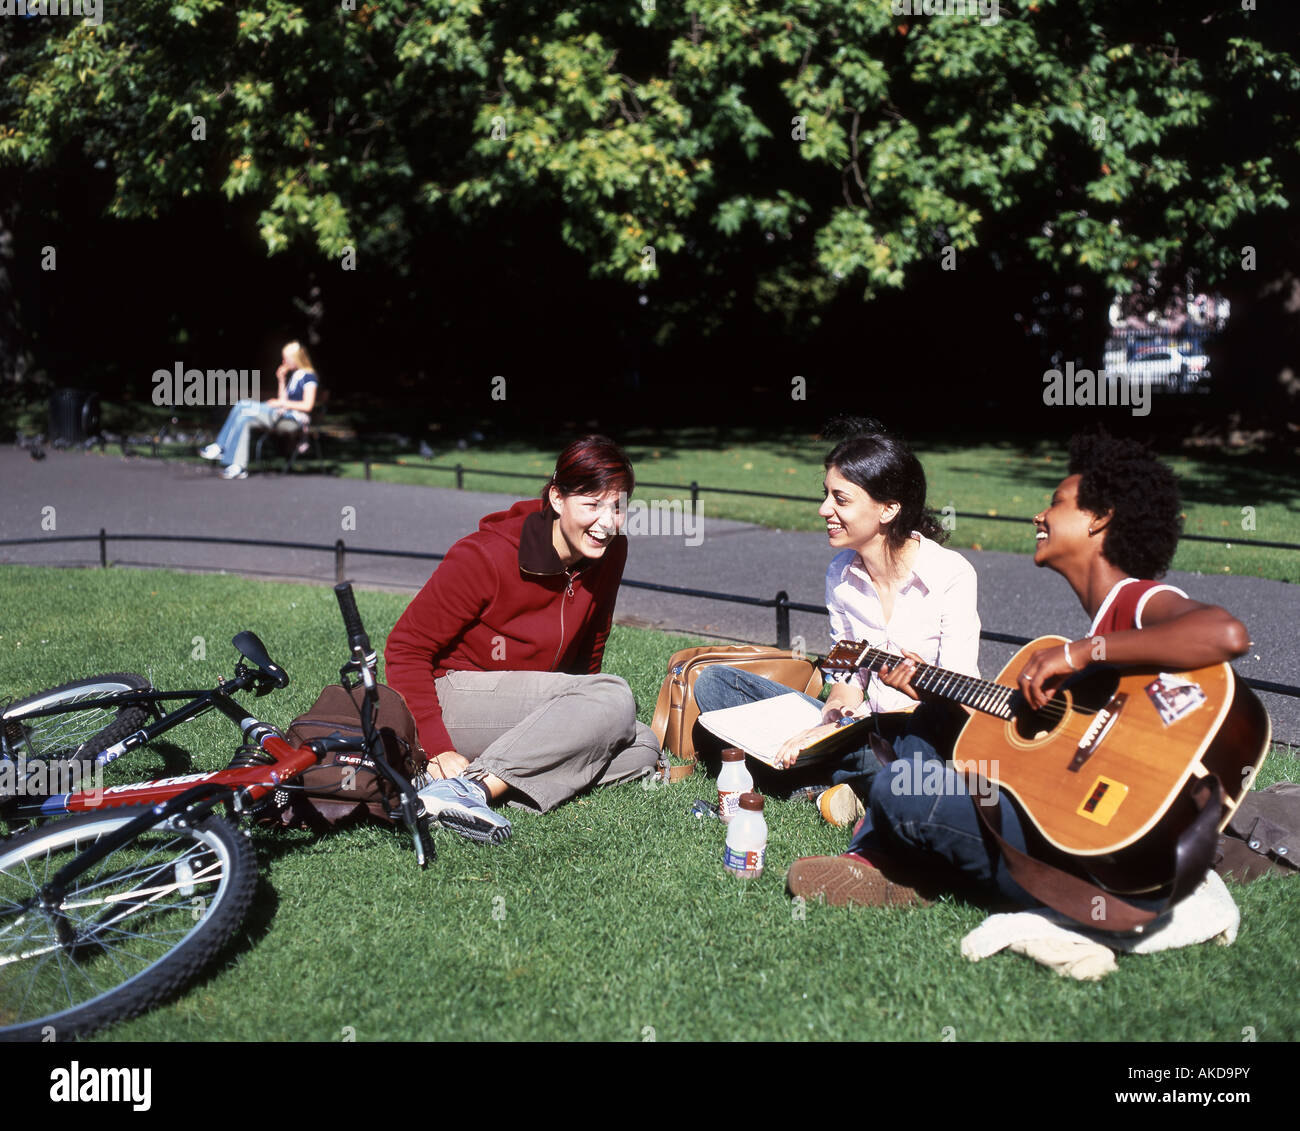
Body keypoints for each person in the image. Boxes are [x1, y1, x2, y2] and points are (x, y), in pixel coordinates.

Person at [787, 430, 1252, 909]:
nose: (1039, 515)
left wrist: (1075, 655)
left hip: (1097, 846)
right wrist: (930, 691)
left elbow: (1227, 633)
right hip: (1078, 824)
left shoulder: (1135, 599)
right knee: (915, 755)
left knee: (897, 785)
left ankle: (884, 857)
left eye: (1057, 503)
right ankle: (902, 854)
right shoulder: (1105, 618)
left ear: (1099, 519)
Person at [693, 421, 981, 826]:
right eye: (826, 495)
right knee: (714, 684)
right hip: (855, 728)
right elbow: (846, 681)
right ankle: (838, 782)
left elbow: (962, 699)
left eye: (840, 499)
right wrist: (829, 719)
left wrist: (847, 726)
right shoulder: (840, 574)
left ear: (888, 509)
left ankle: (827, 780)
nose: (824, 509)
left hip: (922, 735)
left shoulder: (951, 574)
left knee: (904, 762)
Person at [384, 435, 661, 845]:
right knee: (614, 698)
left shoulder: (611, 551)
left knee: (641, 744)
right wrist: (437, 745)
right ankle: (466, 788)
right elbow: (405, 649)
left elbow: (593, 638)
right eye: (592, 505)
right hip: (454, 697)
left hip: (526, 705)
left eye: (617, 507)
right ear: (557, 498)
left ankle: (470, 782)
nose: (607, 523)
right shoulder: (486, 555)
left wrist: (583, 715)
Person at [199, 341, 320, 479]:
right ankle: (238, 466)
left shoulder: (309, 377)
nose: (284, 362)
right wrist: (281, 380)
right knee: (243, 418)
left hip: (292, 421)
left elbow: (308, 405)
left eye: (286, 358)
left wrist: (281, 403)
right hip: (281, 415)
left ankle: (220, 446)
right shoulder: (295, 375)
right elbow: (283, 399)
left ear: (296, 358)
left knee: (242, 404)